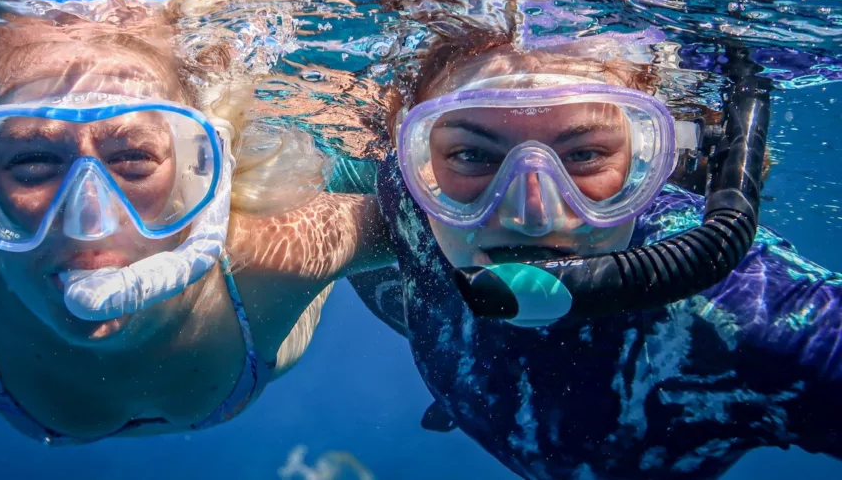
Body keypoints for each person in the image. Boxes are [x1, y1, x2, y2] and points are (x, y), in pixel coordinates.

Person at [0, 0, 392, 444]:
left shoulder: (275, 259)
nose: (88, 223)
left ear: (196, 170)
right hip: (229, 377)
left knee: (352, 182)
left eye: (132, 159)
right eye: (33, 162)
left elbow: (432, 219)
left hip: (258, 326)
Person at [347, 29, 842, 479]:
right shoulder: (408, 188)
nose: (531, 215)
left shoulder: (737, 309)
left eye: (584, 155)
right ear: (414, 154)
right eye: (473, 154)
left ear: (648, 159)